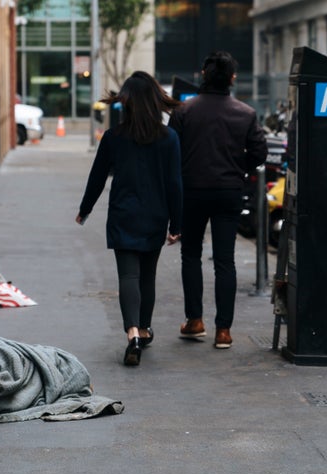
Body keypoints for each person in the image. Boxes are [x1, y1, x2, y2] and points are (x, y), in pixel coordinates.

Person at [76, 71, 183, 366]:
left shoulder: (114, 137)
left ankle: (132, 333)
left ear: (128, 103)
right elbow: (175, 184)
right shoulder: (169, 138)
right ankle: (145, 328)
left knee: (128, 275)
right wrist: (177, 224)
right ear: (154, 101)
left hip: (123, 213)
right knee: (147, 276)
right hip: (155, 214)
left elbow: (97, 176)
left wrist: (85, 209)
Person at [168, 51, 268, 349]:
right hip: (229, 192)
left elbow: (170, 152)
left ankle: (194, 320)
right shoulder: (246, 113)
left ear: (203, 74)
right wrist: (239, 171)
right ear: (233, 79)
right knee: (225, 261)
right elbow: (259, 153)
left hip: (192, 191)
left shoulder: (184, 111)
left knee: (191, 255)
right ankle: (223, 330)